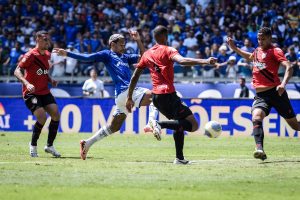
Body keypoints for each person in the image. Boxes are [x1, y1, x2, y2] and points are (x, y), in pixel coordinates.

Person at [53, 30, 159, 160]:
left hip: (121, 96)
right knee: (157, 95)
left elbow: (144, 56)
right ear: (112, 44)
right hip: (126, 92)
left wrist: (138, 40)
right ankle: (151, 122)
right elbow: (87, 57)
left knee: (114, 127)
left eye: (124, 44)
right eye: (121, 44)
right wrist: (67, 53)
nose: (123, 47)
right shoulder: (107, 55)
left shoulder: (125, 57)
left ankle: (87, 143)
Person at [125, 25, 217, 165]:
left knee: (179, 124)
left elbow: (135, 77)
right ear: (165, 37)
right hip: (168, 94)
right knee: (193, 125)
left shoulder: (147, 54)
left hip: (156, 97)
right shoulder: (168, 50)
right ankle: (158, 124)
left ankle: (179, 158)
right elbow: (182, 61)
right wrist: (205, 61)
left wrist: (129, 97)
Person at [227, 27, 300, 161]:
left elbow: (289, 66)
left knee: (295, 126)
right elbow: (250, 57)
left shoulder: (275, 51)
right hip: (261, 95)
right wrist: (235, 49)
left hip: (276, 93)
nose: (260, 41)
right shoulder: (257, 51)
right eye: (259, 39)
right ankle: (259, 148)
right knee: (256, 116)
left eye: (263, 39)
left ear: (269, 38)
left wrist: (283, 84)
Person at [14, 30, 61, 158]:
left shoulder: (47, 54)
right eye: (45, 39)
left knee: (56, 114)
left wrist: (51, 80)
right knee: (42, 117)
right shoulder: (30, 55)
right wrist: (27, 83)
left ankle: (49, 146)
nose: (48, 42)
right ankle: (33, 145)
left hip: (44, 90)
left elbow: (44, 72)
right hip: (31, 92)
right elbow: (17, 71)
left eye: (48, 39)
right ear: (38, 40)